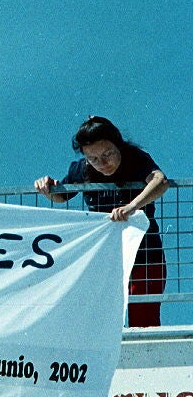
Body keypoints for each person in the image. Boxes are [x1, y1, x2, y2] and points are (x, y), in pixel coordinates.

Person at [34, 116, 170, 327]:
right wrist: (47, 188)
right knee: (100, 320)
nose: (102, 164)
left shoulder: (136, 159)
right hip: (106, 257)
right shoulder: (81, 170)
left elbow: (160, 181)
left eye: (107, 154)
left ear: (118, 146)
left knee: (143, 319)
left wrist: (131, 207)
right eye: (93, 159)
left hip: (145, 255)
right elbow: (62, 195)